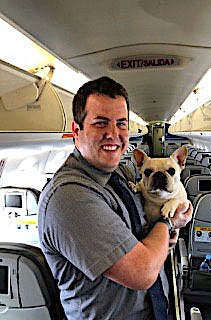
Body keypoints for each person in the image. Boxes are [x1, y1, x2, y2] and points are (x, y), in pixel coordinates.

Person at [38, 76, 192, 320]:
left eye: (121, 124)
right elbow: (141, 272)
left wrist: (163, 240)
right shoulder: (70, 197)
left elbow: (140, 234)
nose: (113, 134)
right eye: (101, 123)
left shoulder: (119, 172)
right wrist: (169, 223)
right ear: (76, 132)